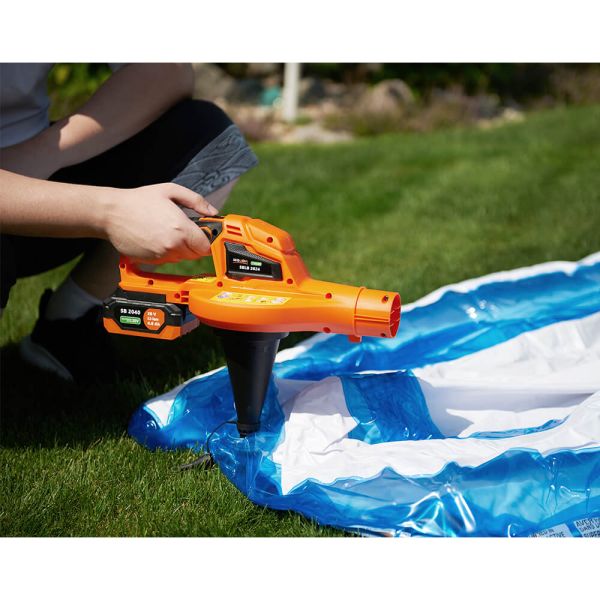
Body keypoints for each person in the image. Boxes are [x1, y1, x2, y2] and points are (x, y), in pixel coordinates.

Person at [0, 63, 258, 383]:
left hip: (34, 162)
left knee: (208, 134)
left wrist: (41, 155)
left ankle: (71, 320)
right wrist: (108, 211)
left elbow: (167, 70)